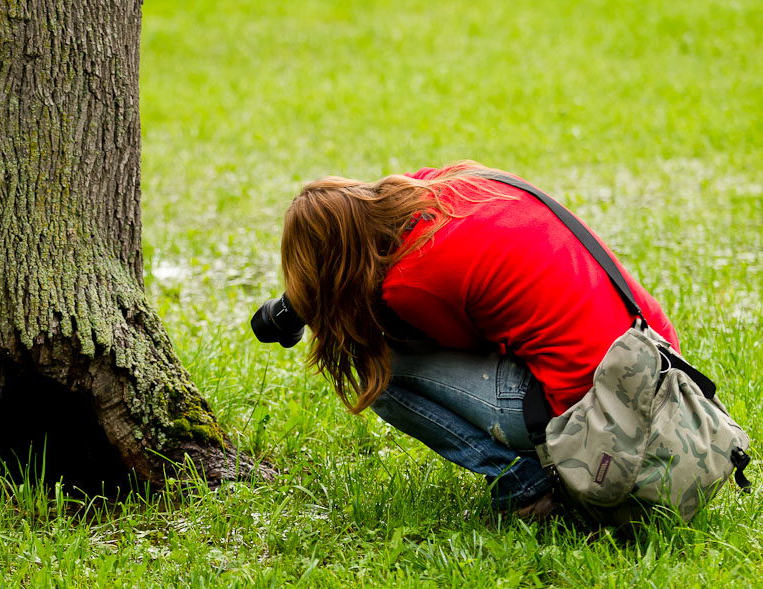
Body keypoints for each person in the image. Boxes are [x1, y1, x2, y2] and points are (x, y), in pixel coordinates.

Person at [261, 161, 680, 518]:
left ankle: (527, 486)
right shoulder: (462, 181)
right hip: (655, 357)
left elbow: (471, 350)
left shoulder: (412, 282)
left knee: (376, 369)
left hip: (594, 414)